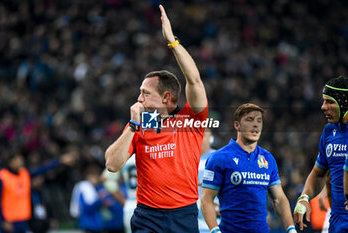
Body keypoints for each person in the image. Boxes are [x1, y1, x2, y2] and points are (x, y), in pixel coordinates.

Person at [105, 4, 208, 233]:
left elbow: (195, 82)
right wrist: (132, 127)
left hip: (183, 214)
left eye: (145, 93)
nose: (139, 98)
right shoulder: (140, 124)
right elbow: (112, 165)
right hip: (146, 216)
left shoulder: (190, 120)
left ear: (166, 98)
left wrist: (172, 42)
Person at [201, 103, 297, 233]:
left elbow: (279, 198)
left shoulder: (268, 158)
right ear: (237, 125)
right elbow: (206, 199)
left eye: (259, 121)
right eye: (249, 120)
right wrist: (214, 230)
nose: (256, 125)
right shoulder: (219, 158)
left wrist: (291, 229)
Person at [293, 76, 348, 233]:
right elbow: (319, 174)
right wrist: (304, 198)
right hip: (337, 224)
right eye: (324, 101)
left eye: (329, 102)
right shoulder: (329, 131)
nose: (323, 107)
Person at [0, 151, 76, 233]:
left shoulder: (24, 174)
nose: (21, 162)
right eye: (18, 160)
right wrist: (3, 220)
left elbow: (42, 169)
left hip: (23, 219)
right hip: (9, 220)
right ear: (11, 162)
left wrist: (60, 161)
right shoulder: (3, 177)